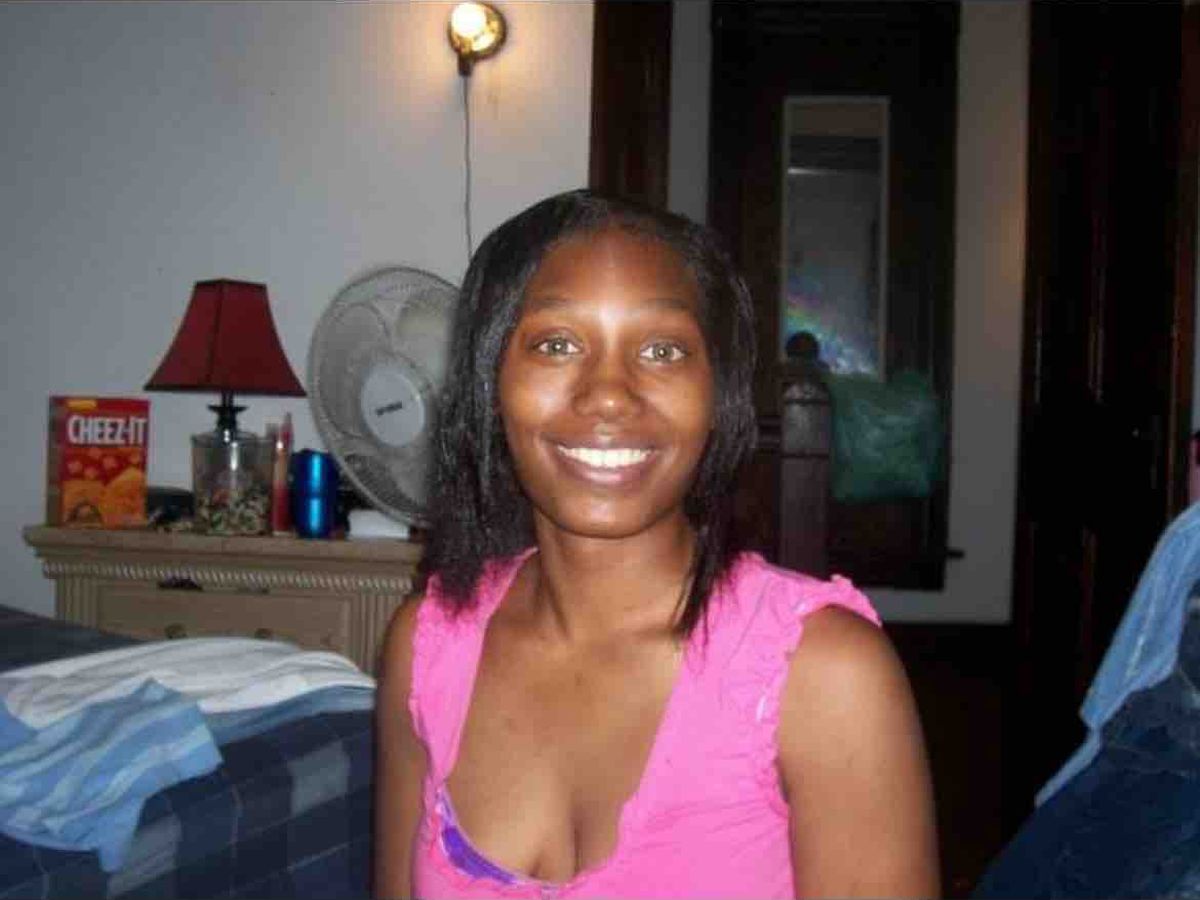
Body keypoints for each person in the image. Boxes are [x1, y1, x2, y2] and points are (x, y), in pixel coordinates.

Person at [374, 190, 938, 899]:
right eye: (556, 344)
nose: (609, 394)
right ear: (490, 385)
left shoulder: (825, 677)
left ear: (718, 396)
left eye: (663, 350)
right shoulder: (426, 647)